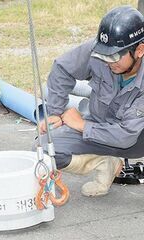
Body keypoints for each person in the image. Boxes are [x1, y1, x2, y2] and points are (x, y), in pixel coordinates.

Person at [37, 5, 144, 197]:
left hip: (136, 140)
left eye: (115, 55)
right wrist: (55, 112)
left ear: (140, 50)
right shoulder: (101, 51)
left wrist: (81, 125)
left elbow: (126, 135)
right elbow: (62, 68)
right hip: (99, 127)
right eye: (104, 54)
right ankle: (106, 162)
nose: (108, 61)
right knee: (45, 150)